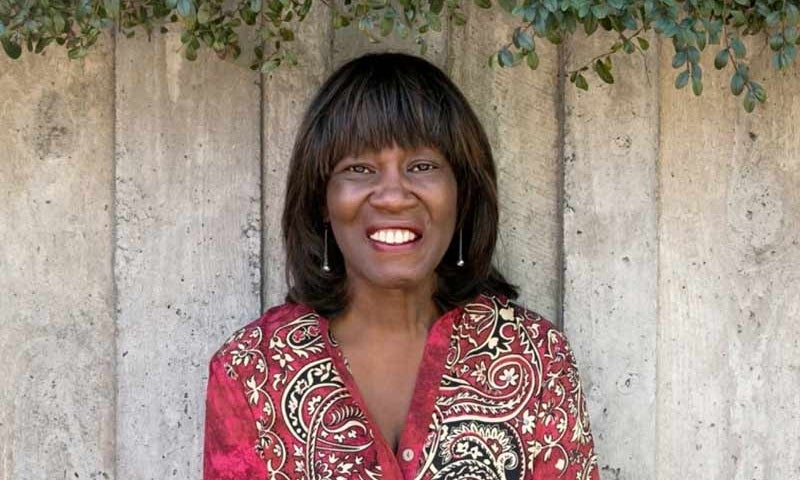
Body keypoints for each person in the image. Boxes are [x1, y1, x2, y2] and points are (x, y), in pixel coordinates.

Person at [203, 52, 599, 480]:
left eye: (422, 166)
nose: (392, 196)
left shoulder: (536, 357)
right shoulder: (254, 369)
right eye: (359, 168)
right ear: (322, 198)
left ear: (462, 194)